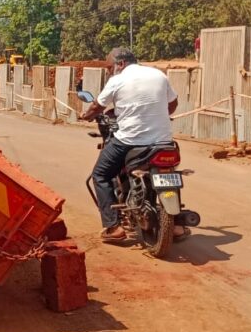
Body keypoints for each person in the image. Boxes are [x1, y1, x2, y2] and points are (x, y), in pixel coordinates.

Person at [79, 48, 184, 243]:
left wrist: (86, 115)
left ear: (121, 63)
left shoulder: (117, 80)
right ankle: (176, 224)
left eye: (110, 68)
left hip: (129, 141)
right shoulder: (158, 75)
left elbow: (97, 106)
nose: (110, 72)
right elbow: (173, 103)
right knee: (169, 173)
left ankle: (113, 227)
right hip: (163, 141)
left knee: (100, 175)